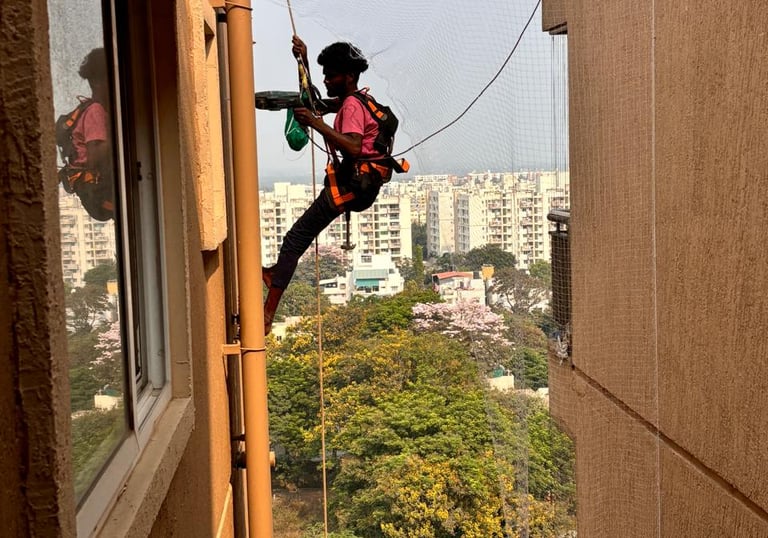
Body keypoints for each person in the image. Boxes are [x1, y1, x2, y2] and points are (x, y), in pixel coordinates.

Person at [261, 36, 388, 334]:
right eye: (325, 74)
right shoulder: (357, 100)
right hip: (360, 183)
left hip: (353, 184)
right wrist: (301, 61)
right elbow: (315, 102)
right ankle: (273, 277)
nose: (326, 80)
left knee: (295, 238)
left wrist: (317, 124)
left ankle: (268, 312)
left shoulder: (353, 107)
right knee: (297, 238)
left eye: (331, 75)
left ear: (349, 77)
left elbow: (354, 147)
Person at [61, 47, 114, 220]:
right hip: (99, 191)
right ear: (98, 82)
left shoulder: (92, 109)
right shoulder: (95, 111)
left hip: (94, 191)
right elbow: (95, 156)